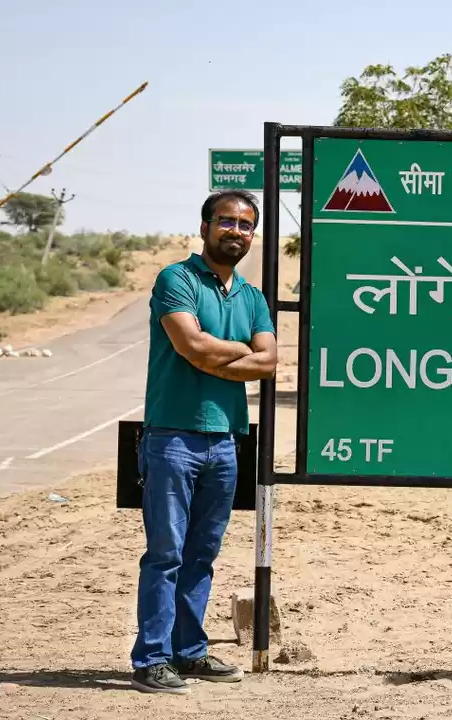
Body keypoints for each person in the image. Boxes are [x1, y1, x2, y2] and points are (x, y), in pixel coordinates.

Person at [130, 190, 277, 694]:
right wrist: (236, 352)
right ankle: (151, 659)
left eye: (246, 225)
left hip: (226, 441)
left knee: (201, 556)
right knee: (165, 554)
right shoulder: (177, 279)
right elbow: (190, 347)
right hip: (172, 437)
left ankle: (188, 653)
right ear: (205, 226)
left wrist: (219, 354)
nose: (237, 231)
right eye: (227, 222)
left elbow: (269, 362)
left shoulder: (253, 298)